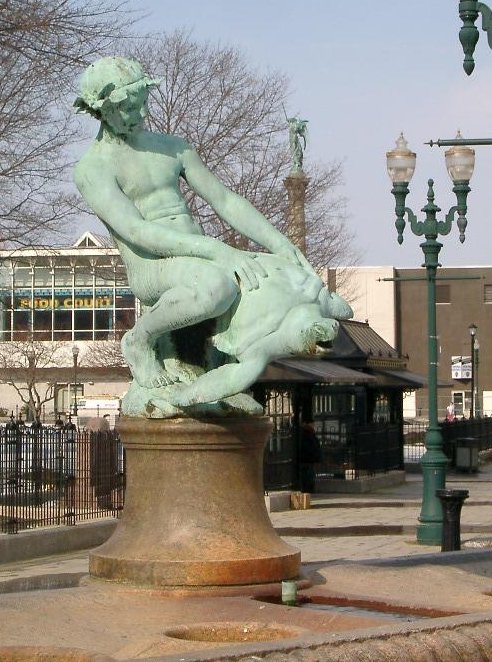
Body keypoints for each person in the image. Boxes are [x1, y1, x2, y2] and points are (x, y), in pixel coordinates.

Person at [74, 57, 352, 416]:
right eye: (129, 108)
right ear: (101, 109)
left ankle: (218, 372)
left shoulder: (172, 147)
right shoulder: (93, 168)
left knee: (278, 277)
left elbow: (225, 201)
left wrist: (280, 244)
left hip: (199, 255)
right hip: (152, 264)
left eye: (143, 102)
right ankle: (140, 340)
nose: (141, 113)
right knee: (216, 286)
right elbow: (136, 231)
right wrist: (218, 251)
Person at [298, 418, 322, 493]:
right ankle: (308, 490)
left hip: (308, 459)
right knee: (308, 477)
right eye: (312, 423)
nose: (313, 425)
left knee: (308, 477)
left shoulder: (308, 432)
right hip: (307, 459)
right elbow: (311, 446)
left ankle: (308, 490)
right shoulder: (307, 433)